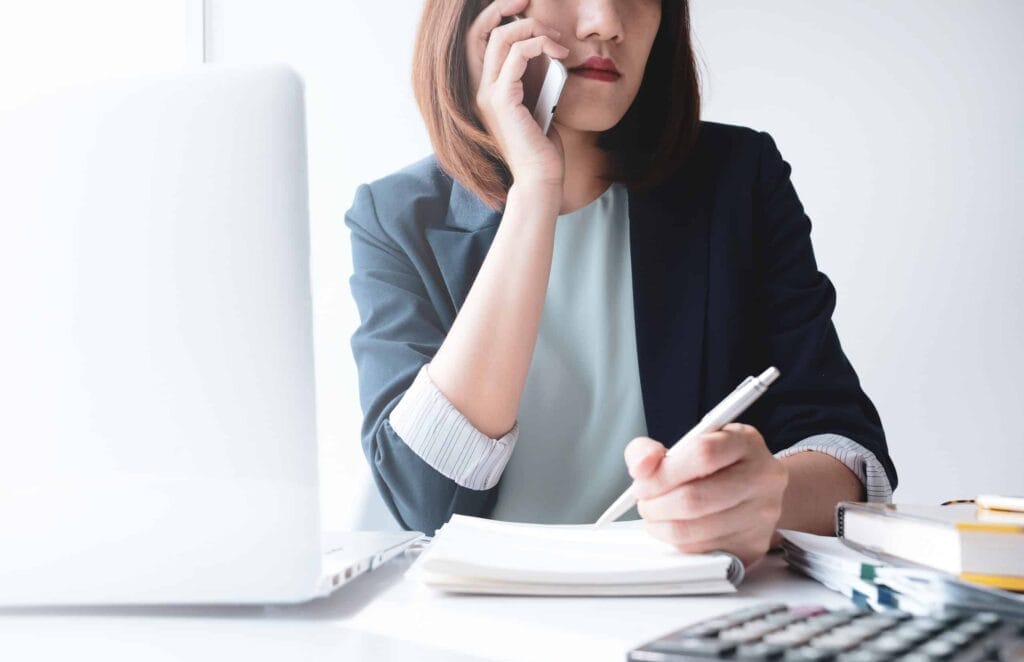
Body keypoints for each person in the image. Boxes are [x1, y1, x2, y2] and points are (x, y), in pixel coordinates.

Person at [345, 0, 896, 567]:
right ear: (486, 17)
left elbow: (849, 452)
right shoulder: (394, 216)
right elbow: (424, 498)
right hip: (490, 616)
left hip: (691, 614)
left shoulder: (740, 177)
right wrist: (535, 185)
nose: (606, 21)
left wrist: (769, 497)